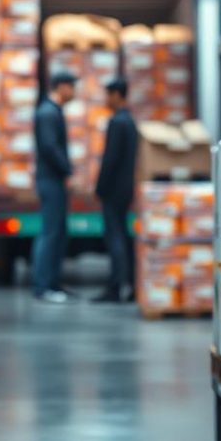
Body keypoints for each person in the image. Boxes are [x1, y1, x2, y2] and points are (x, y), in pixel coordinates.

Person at [32, 71, 76, 303]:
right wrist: (67, 171)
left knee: (58, 232)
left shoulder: (53, 111)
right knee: (50, 232)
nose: (74, 91)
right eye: (71, 86)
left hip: (53, 179)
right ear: (60, 87)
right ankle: (43, 287)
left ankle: (54, 283)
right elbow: (49, 147)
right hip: (50, 180)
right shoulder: (48, 112)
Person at [94, 77, 138, 303]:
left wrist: (99, 188)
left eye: (108, 95)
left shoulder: (117, 122)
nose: (106, 100)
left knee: (115, 238)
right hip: (126, 189)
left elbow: (109, 160)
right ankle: (129, 286)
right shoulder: (130, 121)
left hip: (113, 190)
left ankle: (115, 287)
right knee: (122, 235)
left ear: (117, 95)